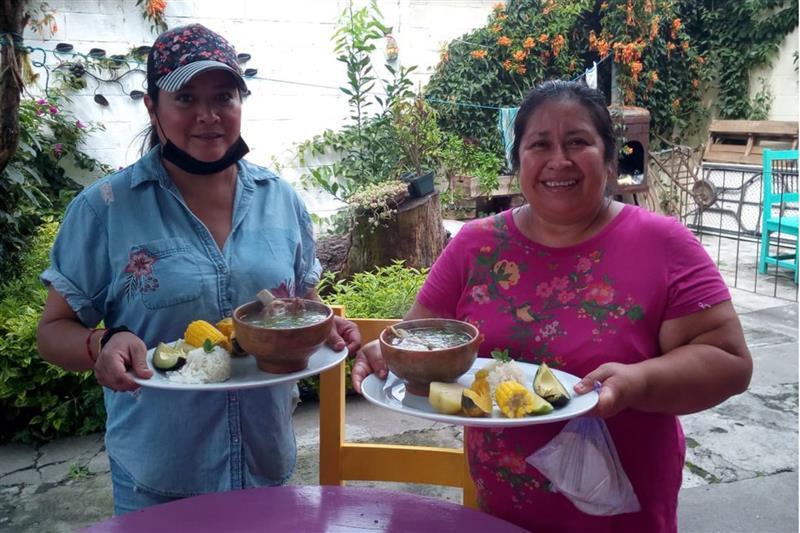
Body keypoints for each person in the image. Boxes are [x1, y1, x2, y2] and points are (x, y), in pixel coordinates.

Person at [352, 80, 752, 532]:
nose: (558, 160)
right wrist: (389, 354)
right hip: (504, 508)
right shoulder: (476, 246)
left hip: (621, 509)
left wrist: (639, 381)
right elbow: (419, 337)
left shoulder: (663, 243)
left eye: (578, 141)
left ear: (608, 157)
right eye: (539, 144)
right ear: (518, 161)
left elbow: (730, 361)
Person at [36, 23, 360, 515]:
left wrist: (321, 325)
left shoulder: (281, 201)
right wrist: (101, 344)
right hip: (160, 480)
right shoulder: (105, 208)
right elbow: (51, 332)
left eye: (224, 97)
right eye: (185, 97)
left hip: (266, 467)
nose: (208, 116)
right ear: (153, 107)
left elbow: (300, 304)